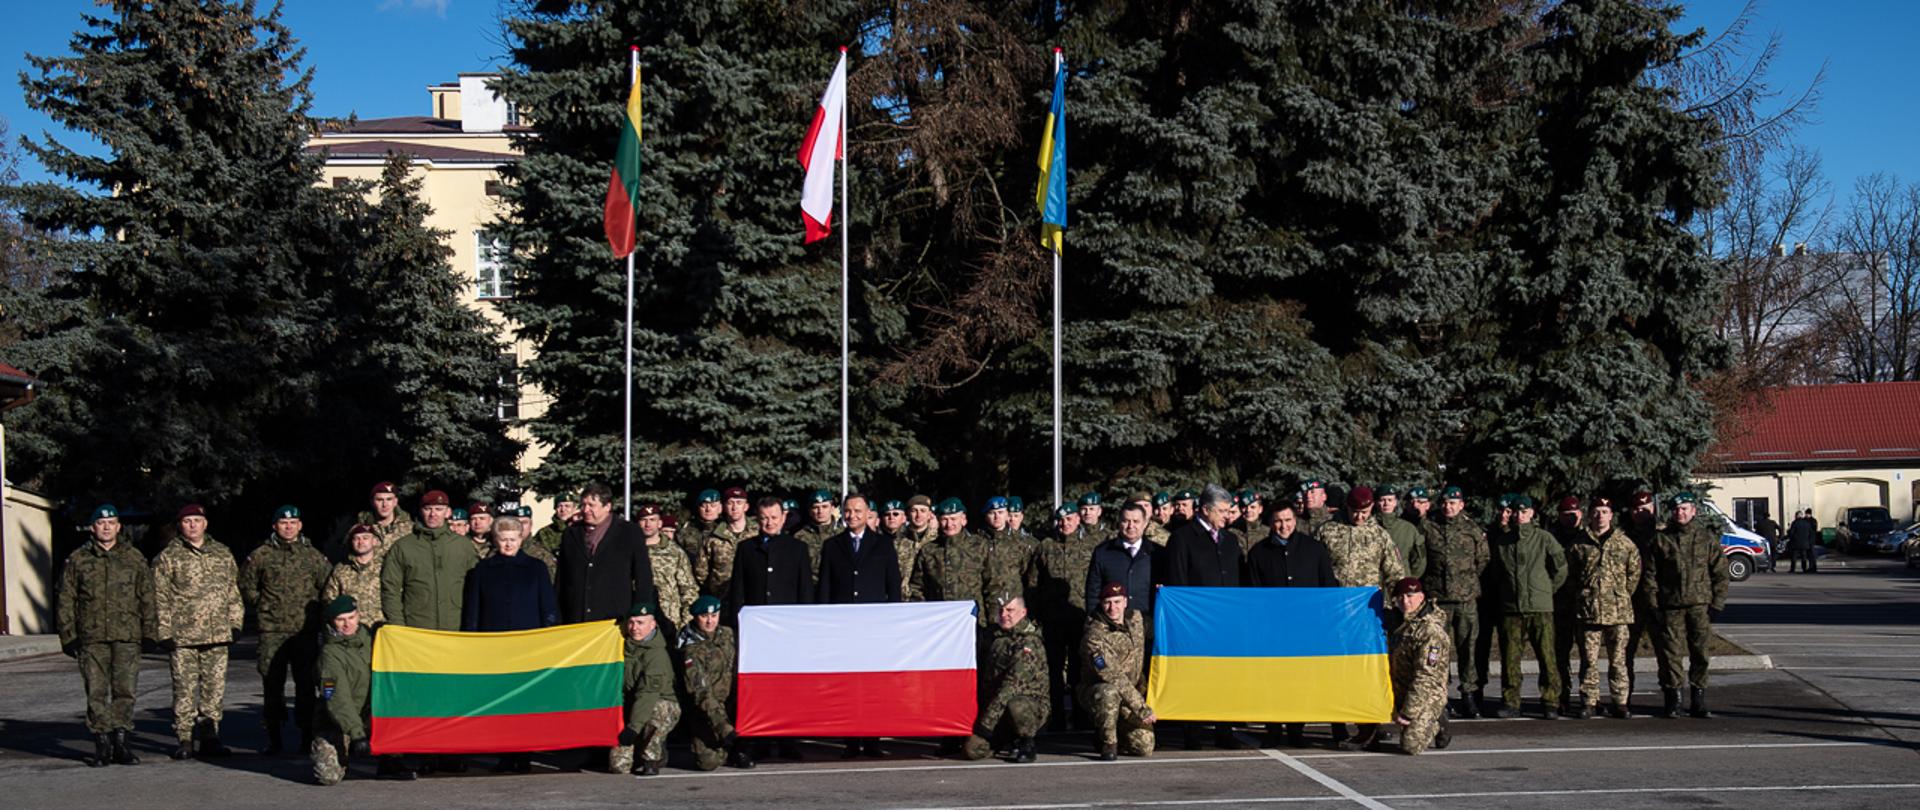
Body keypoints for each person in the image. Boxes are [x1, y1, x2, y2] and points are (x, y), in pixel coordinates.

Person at [380, 489, 477, 774]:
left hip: (454, 632)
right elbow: (390, 588)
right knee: (420, 696)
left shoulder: (463, 547)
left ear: (449, 513)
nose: (433, 514)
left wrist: (471, 627)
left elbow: (476, 588)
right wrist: (398, 627)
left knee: (453, 695)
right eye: (428, 509)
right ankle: (422, 751)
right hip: (417, 634)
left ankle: (449, 752)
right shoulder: (404, 547)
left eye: (439, 509)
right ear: (420, 512)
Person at [57, 504, 156, 767]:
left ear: (119, 527)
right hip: (92, 637)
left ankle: (122, 742)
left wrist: (150, 632)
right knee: (96, 691)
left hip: (127, 635)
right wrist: (68, 636)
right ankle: (101, 743)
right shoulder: (78, 560)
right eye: (101, 523)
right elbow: (66, 598)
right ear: (92, 527)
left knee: (125, 690)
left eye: (112, 523)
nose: (107, 527)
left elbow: (147, 597)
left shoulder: (134, 558)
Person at [459, 517, 556, 773]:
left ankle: (524, 754)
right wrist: (472, 639)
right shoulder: (482, 570)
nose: (508, 544)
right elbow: (474, 610)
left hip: (528, 644)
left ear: (521, 539)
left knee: (525, 701)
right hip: (495, 645)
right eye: (503, 539)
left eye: (513, 539)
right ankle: (503, 754)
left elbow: (547, 604)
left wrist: (550, 636)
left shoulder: (536, 568)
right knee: (501, 701)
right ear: (495, 540)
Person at [152, 503, 245, 760]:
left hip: (217, 634)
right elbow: (159, 596)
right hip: (183, 637)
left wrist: (235, 623)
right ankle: (184, 738)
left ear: (205, 524)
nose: (192, 525)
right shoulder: (168, 557)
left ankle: (210, 736)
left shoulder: (222, 554)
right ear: (180, 526)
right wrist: (163, 631)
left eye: (197, 520)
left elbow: (232, 592)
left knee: (214, 689)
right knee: (184, 689)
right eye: (187, 521)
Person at [239, 504, 331, 755]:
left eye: (293, 523)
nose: (288, 527)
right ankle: (274, 737)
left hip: (304, 630)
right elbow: (246, 584)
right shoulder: (261, 555)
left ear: (300, 525)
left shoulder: (313, 556)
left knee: (305, 684)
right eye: (283, 523)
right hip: (272, 631)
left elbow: (327, 588)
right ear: (275, 526)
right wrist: (262, 604)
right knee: (272, 683)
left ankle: (305, 736)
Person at [1244, 503, 1336, 747]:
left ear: (1295, 519)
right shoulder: (1258, 553)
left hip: (1307, 629)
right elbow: (1252, 595)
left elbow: (1329, 588)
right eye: (1277, 521)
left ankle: (1297, 729)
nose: (1283, 526)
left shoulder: (1314, 549)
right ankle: (1273, 729)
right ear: (1270, 523)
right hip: (1272, 631)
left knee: (1300, 680)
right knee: (1272, 680)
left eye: (1287, 520)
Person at [1162, 484, 1245, 750]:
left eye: (1229, 511)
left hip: (1226, 622)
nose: (1227, 516)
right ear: (1206, 510)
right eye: (1222, 511)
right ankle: (1193, 731)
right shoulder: (1183, 538)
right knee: (1195, 676)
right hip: (1195, 622)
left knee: (1226, 676)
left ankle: (1224, 728)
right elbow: (1177, 581)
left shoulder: (1231, 541)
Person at [815, 494, 898, 756]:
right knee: (848, 685)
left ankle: (873, 741)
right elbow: (825, 586)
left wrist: (893, 620)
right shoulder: (832, 545)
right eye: (848, 511)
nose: (852, 516)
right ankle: (850, 741)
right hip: (842, 627)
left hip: (874, 627)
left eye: (858, 511)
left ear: (867, 512)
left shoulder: (884, 545)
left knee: (872, 685)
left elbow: (892, 587)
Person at [1644, 492, 1730, 719]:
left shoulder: (1706, 539)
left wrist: (1717, 603)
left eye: (1684, 509)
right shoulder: (1661, 540)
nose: (1680, 513)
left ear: (1693, 511)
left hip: (1699, 607)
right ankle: (1673, 700)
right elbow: (1650, 576)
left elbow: (1720, 573)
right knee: (1671, 654)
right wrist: (1653, 605)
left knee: (1700, 653)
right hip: (1670, 606)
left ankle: (1698, 699)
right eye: (1676, 509)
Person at [1490, 495, 1568, 719]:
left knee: (1547, 656)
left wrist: (1546, 590)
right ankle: (1511, 700)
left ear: (1532, 513)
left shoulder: (1544, 538)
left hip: (1540, 608)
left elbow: (1561, 568)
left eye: (1524, 512)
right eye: (1516, 512)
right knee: (1510, 658)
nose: (1520, 516)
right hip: (1511, 608)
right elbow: (1497, 573)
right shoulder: (1503, 542)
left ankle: (1551, 700)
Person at [1566, 497, 1640, 719]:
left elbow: (1633, 575)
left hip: (1618, 612)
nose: (1600, 516)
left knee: (1618, 660)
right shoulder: (1579, 544)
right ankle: (1589, 701)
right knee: (1588, 660)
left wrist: (1621, 595)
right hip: (1588, 611)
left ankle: (1620, 701)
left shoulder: (1625, 544)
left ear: (1611, 515)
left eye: (1605, 512)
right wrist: (1582, 596)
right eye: (1596, 512)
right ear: (1590, 515)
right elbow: (1570, 576)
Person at [1421, 486, 1489, 718]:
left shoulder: (1472, 530)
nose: (1449, 507)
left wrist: (1466, 584)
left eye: (1453, 503)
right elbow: (1422, 559)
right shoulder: (1429, 528)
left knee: (1468, 648)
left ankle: (1469, 695)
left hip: (1465, 600)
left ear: (1461, 505)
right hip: (1438, 600)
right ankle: (1440, 697)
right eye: (1446, 503)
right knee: (1437, 651)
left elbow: (1482, 560)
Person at [556, 481, 656, 624]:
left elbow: (643, 576)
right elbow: (562, 578)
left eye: (591, 505)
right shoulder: (571, 534)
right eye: (583, 505)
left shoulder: (629, 532)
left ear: (607, 507)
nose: (586, 510)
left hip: (614, 617)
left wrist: (642, 610)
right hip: (576, 618)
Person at [964, 597, 1049, 763]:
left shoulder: (1029, 643)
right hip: (997, 708)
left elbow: (1010, 687)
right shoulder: (995, 637)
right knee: (973, 750)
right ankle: (1003, 740)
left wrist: (986, 725)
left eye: (1010, 610)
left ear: (1023, 613)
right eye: (1001, 610)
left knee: (1016, 705)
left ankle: (1027, 742)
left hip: (1027, 706)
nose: (1004, 615)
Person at [1080, 582, 1154, 760]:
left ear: (1126, 602)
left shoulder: (1136, 620)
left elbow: (1162, 626)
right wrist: (1141, 708)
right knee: (1109, 692)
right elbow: (1112, 676)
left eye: (1117, 602)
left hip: (1130, 693)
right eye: (1107, 602)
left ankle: (1119, 729)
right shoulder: (1094, 635)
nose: (1113, 608)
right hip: (1099, 693)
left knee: (1144, 746)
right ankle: (1108, 742)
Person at [679, 596, 753, 770]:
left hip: (735, 703)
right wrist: (723, 727)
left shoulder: (728, 635)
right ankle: (727, 748)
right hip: (708, 707)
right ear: (695, 617)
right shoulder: (691, 648)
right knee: (707, 763)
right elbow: (701, 692)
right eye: (704, 616)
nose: (710, 621)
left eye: (714, 615)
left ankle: (739, 750)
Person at [311, 595, 376, 785]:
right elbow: (336, 698)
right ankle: (342, 748)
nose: (347, 624)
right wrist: (356, 735)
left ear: (359, 616)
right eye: (340, 620)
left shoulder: (373, 642)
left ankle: (392, 761)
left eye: (351, 617)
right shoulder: (329, 655)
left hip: (370, 715)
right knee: (328, 777)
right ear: (332, 622)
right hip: (337, 721)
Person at [1384, 578, 1452, 755]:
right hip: (1398, 687)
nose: (1405, 601)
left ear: (1421, 597)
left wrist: (1408, 712)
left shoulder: (1431, 632)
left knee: (1411, 745)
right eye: (1400, 597)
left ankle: (1438, 721)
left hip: (1426, 693)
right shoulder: (1395, 622)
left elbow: (1426, 678)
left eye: (1410, 596)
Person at [613, 603, 680, 776]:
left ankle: (652, 757)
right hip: (630, 706)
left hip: (656, 705)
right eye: (631, 622)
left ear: (653, 625)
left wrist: (633, 728)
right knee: (619, 766)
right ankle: (637, 750)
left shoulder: (656, 656)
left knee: (658, 710)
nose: (635, 628)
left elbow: (647, 695)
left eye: (641, 623)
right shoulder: (620, 646)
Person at [909, 498, 988, 623]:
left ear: (963, 520)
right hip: (939, 620)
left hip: (973, 619)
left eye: (953, 519)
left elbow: (992, 583)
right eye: (944, 519)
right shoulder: (929, 550)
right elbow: (917, 586)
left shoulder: (980, 546)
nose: (949, 524)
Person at [1315, 486, 1405, 594]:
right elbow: (1312, 565)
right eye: (1355, 512)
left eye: (1364, 512)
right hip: (1334, 598)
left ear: (1372, 506)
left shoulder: (1379, 535)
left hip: (1366, 600)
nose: (1359, 516)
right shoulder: (1327, 531)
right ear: (1347, 506)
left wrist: (1397, 600)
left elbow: (1395, 572)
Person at [1085, 504, 1158, 621]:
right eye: (1126, 521)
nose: (1131, 526)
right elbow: (1093, 591)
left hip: (1148, 624)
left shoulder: (1157, 553)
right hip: (1113, 625)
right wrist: (1095, 621)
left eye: (1136, 521)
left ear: (1145, 524)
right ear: (1119, 522)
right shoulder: (1103, 552)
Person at [637, 504, 698, 640]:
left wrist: (686, 622)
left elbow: (688, 590)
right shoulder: (631, 550)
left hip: (669, 621)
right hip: (638, 621)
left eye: (652, 520)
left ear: (660, 523)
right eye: (644, 520)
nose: (648, 524)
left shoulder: (675, 552)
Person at [979, 497, 1037, 617]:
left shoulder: (1021, 543)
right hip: (986, 605)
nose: (997, 517)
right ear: (986, 516)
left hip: (1014, 605)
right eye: (992, 513)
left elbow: (1029, 577)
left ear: (1006, 515)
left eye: (1000, 512)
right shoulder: (977, 543)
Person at [696, 486, 756, 597]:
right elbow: (701, 573)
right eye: (730, 503)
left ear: (746, 507)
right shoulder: (713, 537)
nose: (734, 507)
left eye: (739, 503)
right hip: (723, 599)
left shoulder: (757, 533)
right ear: (723, 507)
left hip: (752, 596)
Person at [334, 481, 414, 561]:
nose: (385, 505)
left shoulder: (410, 529)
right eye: (379, 500)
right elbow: (345, 558)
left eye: (389, 499)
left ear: (395, 502)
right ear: (372, 502)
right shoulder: (359, 530)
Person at [323, 524, 385, 628]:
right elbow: (329, 600)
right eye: (356, 539)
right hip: (351, 630)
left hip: (380, 628)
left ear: (374, 541)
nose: (361, 542)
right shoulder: (341, 569)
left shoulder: (386, 567)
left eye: (365, 538)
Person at [1374, 487, 1427, 580]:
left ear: (1395, 502)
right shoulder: (1368, 527)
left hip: (1400, 582)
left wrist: (1409, 578)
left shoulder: (1408, 528)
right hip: (1372, 583)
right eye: (1382, 500)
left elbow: (1419, 559)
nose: (1386, 503)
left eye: (1390, 500)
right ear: (1376, 502)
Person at [793, 489, 840, 565]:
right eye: (816, 507)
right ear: (810, 511)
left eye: (824, 506)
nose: (820, 511)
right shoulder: (800, 537)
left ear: (832, 509)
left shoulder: (843, 533)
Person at [532, 492, 580, 559]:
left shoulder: (582, 530)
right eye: (559, 506)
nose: (563, 510)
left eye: (567, 506)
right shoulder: (544, 533)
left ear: (574, 509)